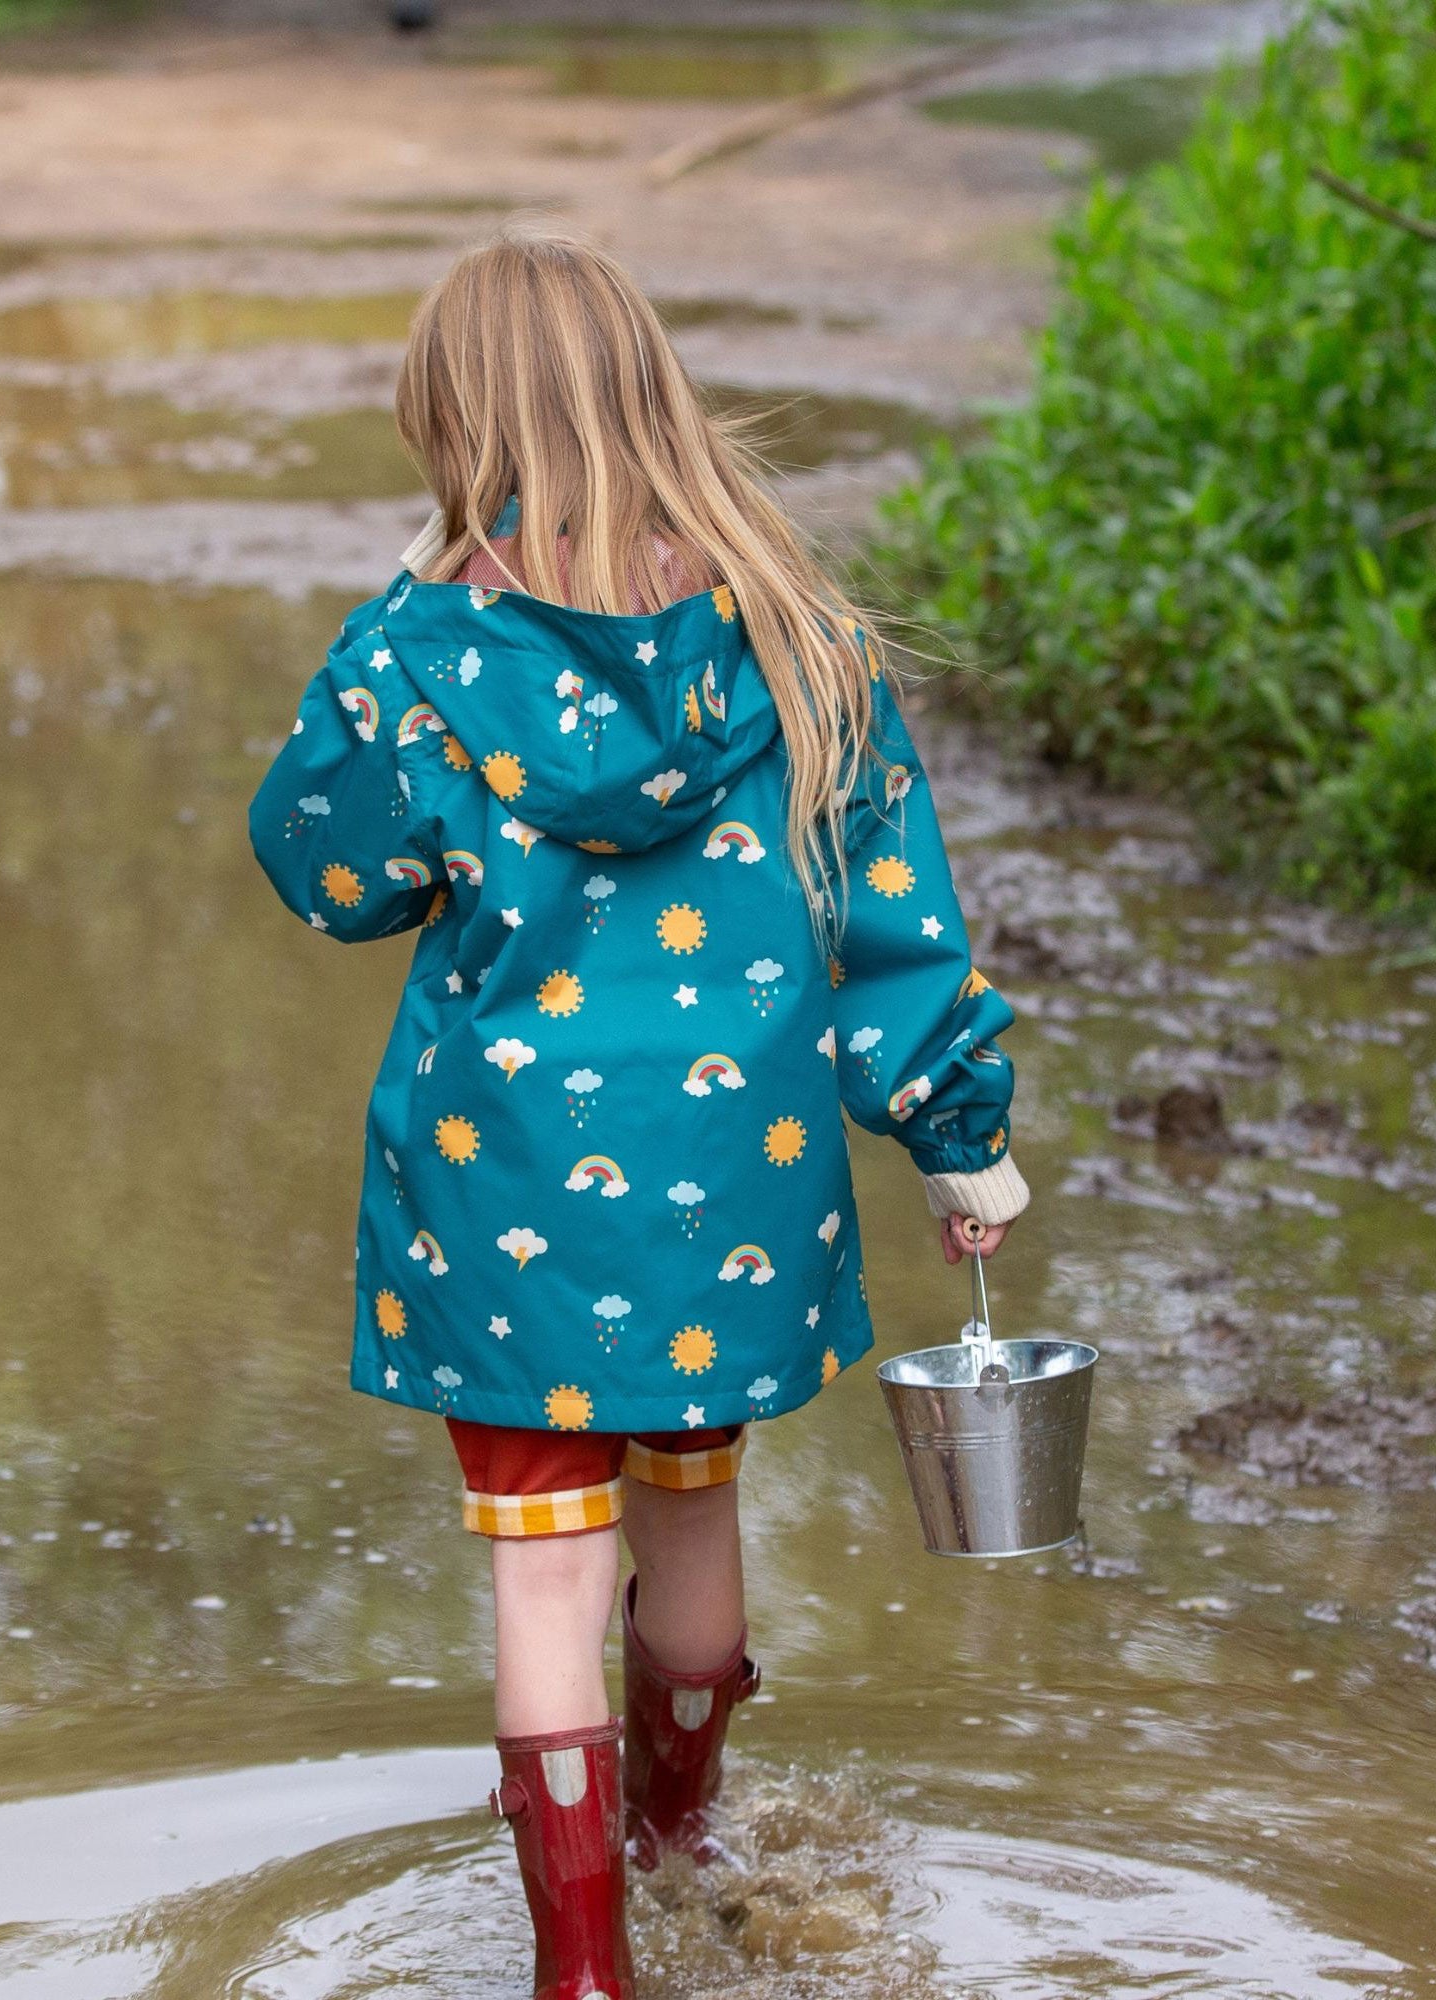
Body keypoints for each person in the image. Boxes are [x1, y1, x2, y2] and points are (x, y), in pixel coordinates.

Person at [249, 227, 1028, 2000]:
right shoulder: (800, 636)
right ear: (653, 398)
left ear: (454, 428)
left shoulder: (425, 654)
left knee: (545, 1585)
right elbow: (888, 920)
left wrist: (391, 626)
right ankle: (682, 1856)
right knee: (692, 1517)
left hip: (499, 1186)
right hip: (732, 1189)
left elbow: (327, 875)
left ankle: (585, 1974)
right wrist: (957, 1132)